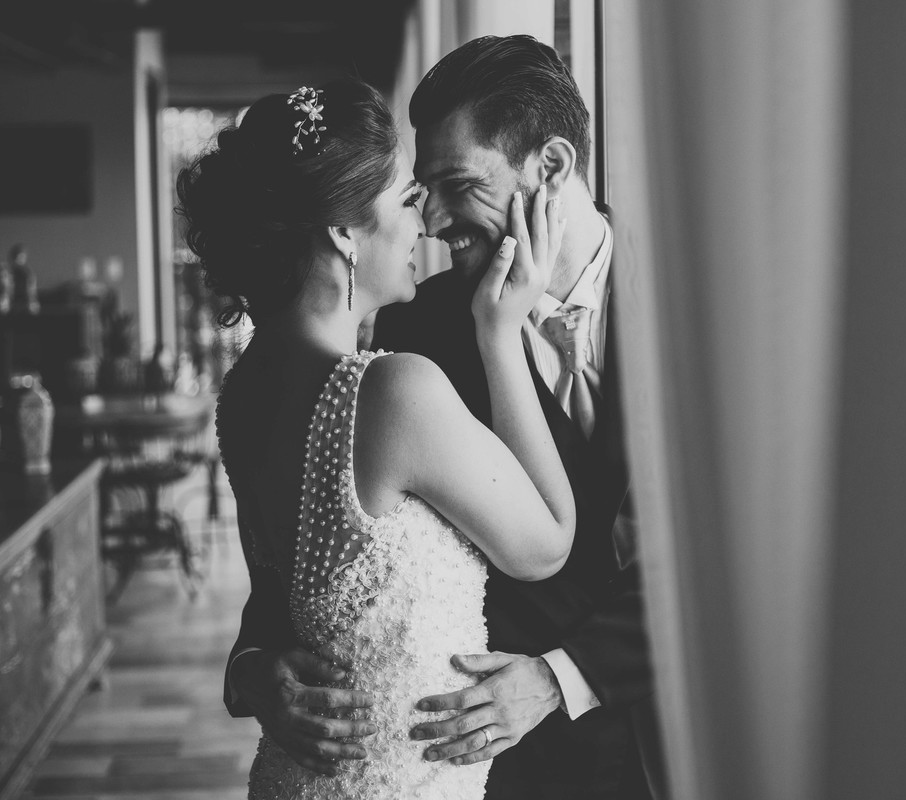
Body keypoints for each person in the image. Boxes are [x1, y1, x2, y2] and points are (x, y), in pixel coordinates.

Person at [226, 37, 666, 800]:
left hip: (678, 737)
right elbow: (308, 564)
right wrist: (255, 669)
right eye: (415, 191)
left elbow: (733, 548)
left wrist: (565, 675)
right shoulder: (411, 340)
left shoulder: (697, 309)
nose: (429, 221)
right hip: (493, 769)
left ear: (552, 167)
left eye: (455, 184)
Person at [179, 77, 576, 799]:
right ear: (342, 234)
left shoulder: (243, 395)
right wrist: (500, 333)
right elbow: (546, 545)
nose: (423, 222)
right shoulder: (394, 392)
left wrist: (252, 672)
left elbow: (279, 600)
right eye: (404, 200)